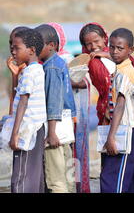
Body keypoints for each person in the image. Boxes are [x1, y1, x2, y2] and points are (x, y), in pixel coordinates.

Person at [49, 22, 91, 193]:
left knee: (70, 156)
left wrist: (65, 78)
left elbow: (83, 82)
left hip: (69, 115)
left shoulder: (64, 60)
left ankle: (76, 187)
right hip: (59, 117)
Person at [35, 24, 77, 193]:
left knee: (55, 179)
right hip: (65, 125)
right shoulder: (59, 63)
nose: (34, 49)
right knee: (67, 177)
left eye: (38, 45)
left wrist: (51, 133)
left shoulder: (51, 67)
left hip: (55, 128)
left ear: (51, 45)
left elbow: (53, 101)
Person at [101, 28, 134, 193]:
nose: (115, 51)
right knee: (128, 173)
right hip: (124, 127)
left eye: (120, 48)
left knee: (114, 177)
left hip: (126, 128)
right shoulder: (121, 68)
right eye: (111, 47)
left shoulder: (125, 72)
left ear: (131, 50)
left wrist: (111, 136)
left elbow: (120, 104)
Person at [9, 28, 47, 193]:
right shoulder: (36, 69)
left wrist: (14, 133)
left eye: (17, 48)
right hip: (36, 127)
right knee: (33, 173)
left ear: (31, 50)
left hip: (27, 129)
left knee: (21, 177)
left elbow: (23, 102)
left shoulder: (30, 72)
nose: (13, 52)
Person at [6, 26, 30, 116]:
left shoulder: (31, 70)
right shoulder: (19, 69)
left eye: (16, 46)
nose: (12, 49)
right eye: (11, 43)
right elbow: (15, 103)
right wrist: (14, 75)